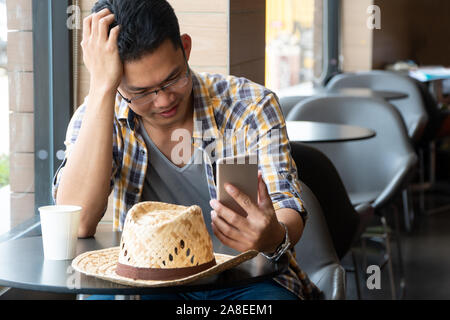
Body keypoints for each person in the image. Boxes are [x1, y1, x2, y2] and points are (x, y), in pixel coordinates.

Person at [53, 0, 321, 300]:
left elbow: (287, 204)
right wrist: (101, 88)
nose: (163, 100)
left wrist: (273, 234)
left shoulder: (251, 106)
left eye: (173, 78)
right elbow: (78, 223)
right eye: (140, 92)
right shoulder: (98, 115)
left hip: (246, 279)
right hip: (150, 284)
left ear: (186, 48)